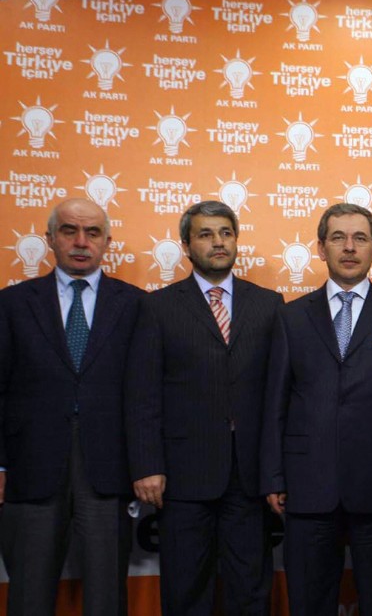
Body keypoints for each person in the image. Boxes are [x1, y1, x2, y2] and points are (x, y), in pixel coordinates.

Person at [261, 203, 372, 616]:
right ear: (321, 248)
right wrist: (273, 475)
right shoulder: (290, 317)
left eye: (360, 239)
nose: (349, 247)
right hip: (306, 487)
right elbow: (276, 403)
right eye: (338, 238)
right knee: (309, 600)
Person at [125, 201, 282, 616]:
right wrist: (146, 464)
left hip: (249, 475)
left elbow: (281, 392)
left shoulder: (269, 304)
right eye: (206, 234)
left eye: (226, 233)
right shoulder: (157, 307)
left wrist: (278, 470)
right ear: (186, 244)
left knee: (249, 588)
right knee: (186, 588)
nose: (218, 242)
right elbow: (142, 393)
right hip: (182, 474)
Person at [0, 198, 142, 616]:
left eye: (93, 232)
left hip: (110, 470)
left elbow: (145, 394)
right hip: (30, 471)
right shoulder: (11, 304)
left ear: (107, 242)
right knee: (28, 595)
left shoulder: (136, 305)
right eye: (69, 231)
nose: (81, 242)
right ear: (49, 239)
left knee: (107, 598)